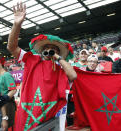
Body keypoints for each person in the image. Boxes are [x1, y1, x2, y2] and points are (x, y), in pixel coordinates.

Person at [7, 2, 77, 131]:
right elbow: (11, 47)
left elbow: (73, 75)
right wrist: (17, 25)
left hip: (50, 118)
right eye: (46, 48)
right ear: (41, 51)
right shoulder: (31, 60)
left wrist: (57, 57)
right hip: (29, 115)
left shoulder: (60, 68)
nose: (49, 50)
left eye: (53, 49)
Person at [0, 55, 17, 131]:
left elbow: (13, 90)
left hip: (6, 106)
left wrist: (4, 98)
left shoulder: (6, 75)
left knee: (1, 128)